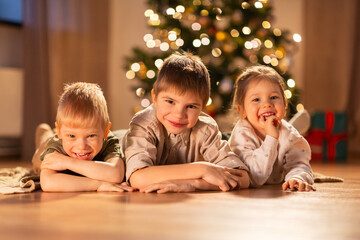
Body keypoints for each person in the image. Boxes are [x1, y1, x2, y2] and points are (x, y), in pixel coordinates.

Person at [124, 52, 250, 193]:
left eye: (191, 106)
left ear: (202, 107)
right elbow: (138, 178)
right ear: (154, 97)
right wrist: (202, 169)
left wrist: (194, 184)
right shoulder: (143, 123)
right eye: (170, 101)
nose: (179, 114)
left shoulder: (205, 128)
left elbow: (243, 178)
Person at [228, 65, 316, 192]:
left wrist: (297, 177)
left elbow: (299, 164)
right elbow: (256, 176)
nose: (266, 104)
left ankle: (295, 125)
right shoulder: (242, 134)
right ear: (242, 110)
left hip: (286, 137)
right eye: (256, 99)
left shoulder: (288, 134)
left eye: (273, 97)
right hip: (235, 147)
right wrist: (271, 137)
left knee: (291, 140)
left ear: (284, 104)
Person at [33, 82, 133, 192]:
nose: (81, 146)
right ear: (60, 132)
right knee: (40, 153)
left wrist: (67, 162)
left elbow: (116, 174)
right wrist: (98, 185)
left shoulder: (109, 141)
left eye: (91, 136)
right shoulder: (56, 146)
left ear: (105, 131)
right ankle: (44, 133)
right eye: (72, 136)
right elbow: (48, 183)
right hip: (46, 148)